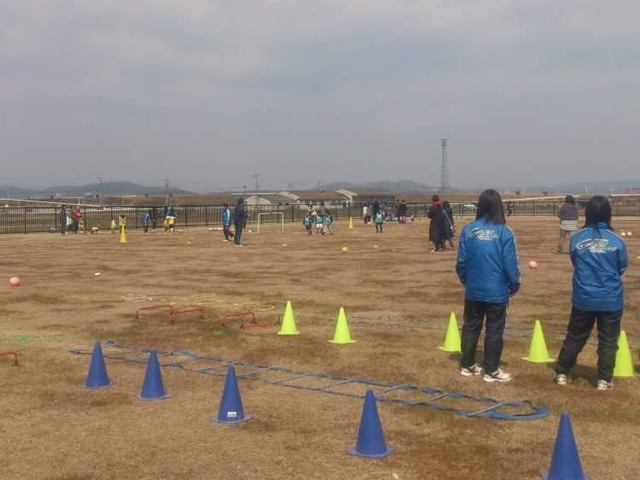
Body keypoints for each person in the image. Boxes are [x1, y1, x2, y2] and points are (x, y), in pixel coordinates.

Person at [554, 196, 627, 391]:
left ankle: (562, 371)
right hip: (610, 299)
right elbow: (621, 267)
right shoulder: (617, 240)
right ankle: (604, 379)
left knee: (575, 336)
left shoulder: (577, 238)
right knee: (608, 340)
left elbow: (576, 261)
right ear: (608, 214)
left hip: (584, 297)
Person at [456, 189, 520, 383]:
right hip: (496, 291)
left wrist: (467, 280)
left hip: (474, 289)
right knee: (494, 329)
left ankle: (467, 364)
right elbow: (510, 262)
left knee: (471, 327)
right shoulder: (504, 232)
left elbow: (461, 262)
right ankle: (490, 370)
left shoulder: (469, 230)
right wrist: (514, 284)